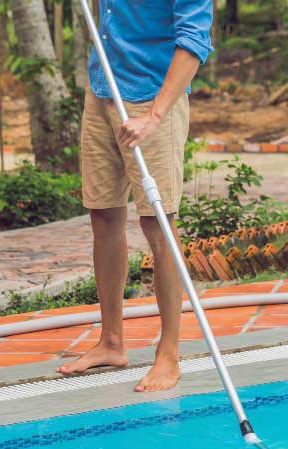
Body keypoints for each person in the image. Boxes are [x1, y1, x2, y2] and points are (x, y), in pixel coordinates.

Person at [58, 0, 213, 392]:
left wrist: (155, 116)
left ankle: (170, 353)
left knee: (158, 223)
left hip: (151, 99)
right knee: (103, 214)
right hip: (103, 90)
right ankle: (111, 342)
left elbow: (194, 40)